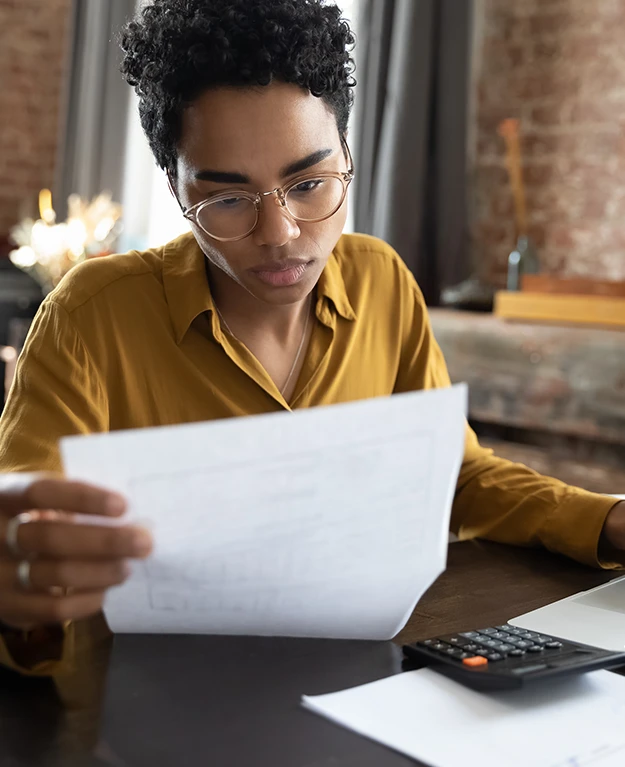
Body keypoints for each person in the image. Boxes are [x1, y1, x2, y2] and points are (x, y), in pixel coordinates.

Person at [0, 0, 623, 676]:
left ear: (349, 157)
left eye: (309, 183)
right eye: (228, 199)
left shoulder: (381, 281)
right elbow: (31, 526)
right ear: (176, 189)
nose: (281, 233)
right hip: (154, 693)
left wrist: (605, 519)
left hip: (363, 676)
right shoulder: (92, 315)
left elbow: (456, 474)